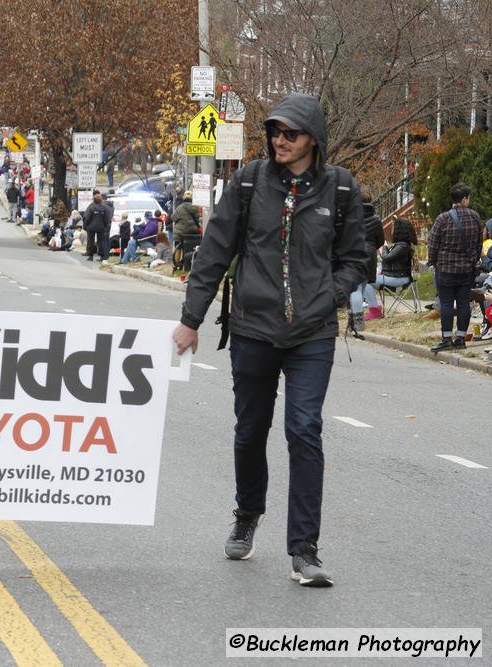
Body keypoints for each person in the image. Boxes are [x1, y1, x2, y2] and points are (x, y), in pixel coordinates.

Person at [172, 92, 367, 587]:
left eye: (291, 133)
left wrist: (330, 294)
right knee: (250, 428)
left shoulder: (340, 190)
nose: (280, 140)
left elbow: (356, 259)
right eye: (275, 132)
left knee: (304, 430)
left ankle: (305, 549)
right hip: (253, 328)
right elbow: (215, 250)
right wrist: (191, 319)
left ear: (313, 141)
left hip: (312, 333)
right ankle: (247, 513)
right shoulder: (247, 182)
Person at [428, 182, 481, 352]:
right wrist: (473, 260)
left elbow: (433, 244)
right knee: (464, 302)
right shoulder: (475, 217)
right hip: (466, 269)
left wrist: (434, 262)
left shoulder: (442, 218)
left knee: (446, 304)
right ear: (464, 199)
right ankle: (460, 337)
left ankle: (446, 338)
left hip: (445, 268)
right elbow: (479, 244)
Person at [348, 195, 386, 330]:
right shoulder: (376, 219)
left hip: (353, 252)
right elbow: (381, 241)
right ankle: (355, 320)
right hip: (369, 254)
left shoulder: (350, 216)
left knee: (355, 289)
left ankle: (356, 322)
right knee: (362, 286)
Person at [82, 192, 110, 262]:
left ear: (94, 200)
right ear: (101, 200)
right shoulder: (104, 208)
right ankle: (101, 256)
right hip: (101, 227)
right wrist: (105, 226)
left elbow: (87, 218)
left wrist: (86, 226)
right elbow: (107, 219)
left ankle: (91, 256)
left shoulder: (91, 208)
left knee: (91, 241)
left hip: (91, 227)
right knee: (100, 242)